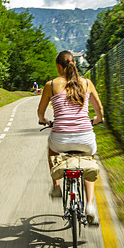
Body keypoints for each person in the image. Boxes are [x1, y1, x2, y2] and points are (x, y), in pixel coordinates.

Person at [37, 51, 104, 223]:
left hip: (60, 140)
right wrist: (97, 119)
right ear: (74, 64)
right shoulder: (86, 83)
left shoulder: (51, 85)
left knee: (51, 148)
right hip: (85, 138)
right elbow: (99, 109)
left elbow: (40, 112)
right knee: (88, 160)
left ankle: (56, 186)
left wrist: (44, 120)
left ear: (58, 66)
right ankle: (90, 205)